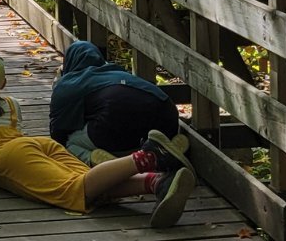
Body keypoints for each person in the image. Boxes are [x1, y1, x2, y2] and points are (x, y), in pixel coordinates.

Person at [0, 50, 195, 228]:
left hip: (6, 157)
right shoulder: (12, 105)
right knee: (89, 184)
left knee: (74, 189)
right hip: (38, 144)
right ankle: (155, 182)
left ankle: (149, 156)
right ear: (3, 83)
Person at [49, 40, 192, 173]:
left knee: (69, 142)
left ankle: (103, 160)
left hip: (115, 123)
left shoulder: (68, 84)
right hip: (167, 115)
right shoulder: (118, 72)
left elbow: (57, 134)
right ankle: (166, 147)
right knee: (134, 128)